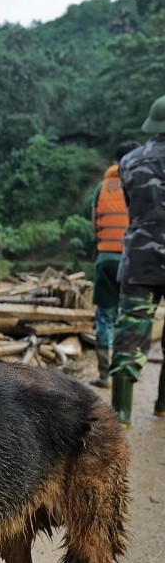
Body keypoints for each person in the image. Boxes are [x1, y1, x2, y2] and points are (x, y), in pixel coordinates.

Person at [110, 95, 165, 427]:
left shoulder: (128, 162)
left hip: (139, 262)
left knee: (130, 336)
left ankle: (121, 415)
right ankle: (161, 406)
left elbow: (133, 210)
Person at [89, 140, 140, 387]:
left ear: (113, 163)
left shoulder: (102, 187)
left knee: (105, 316)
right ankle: (125, 377)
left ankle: (103, 375)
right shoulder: (138, 183)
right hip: (131, 260)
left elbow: (94, 223)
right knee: (125, 318)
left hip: (105, 258)